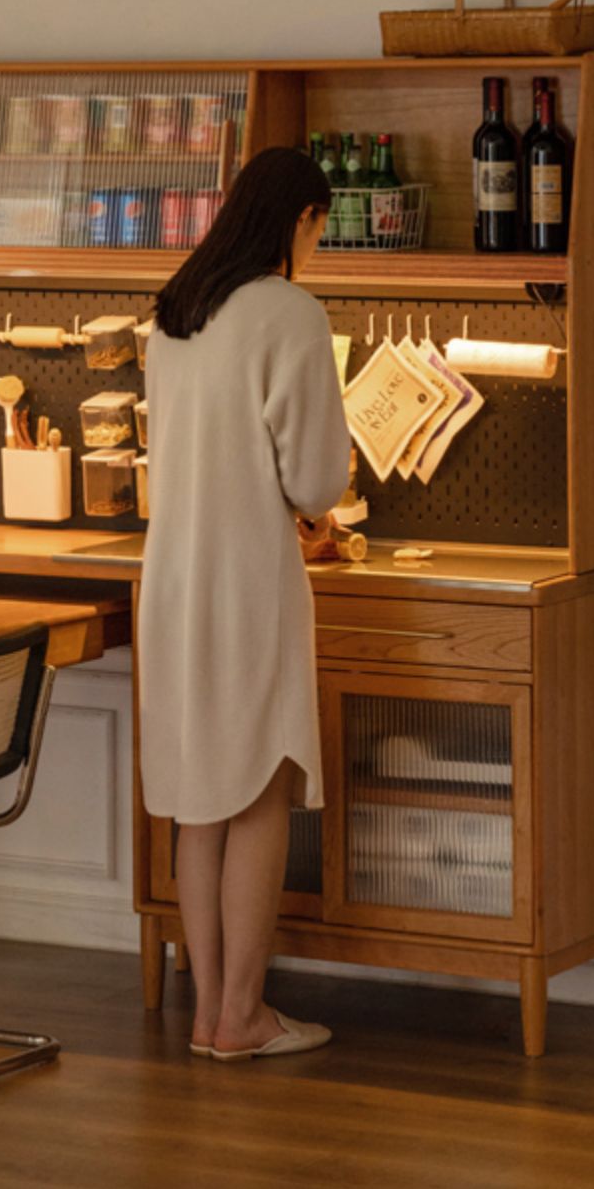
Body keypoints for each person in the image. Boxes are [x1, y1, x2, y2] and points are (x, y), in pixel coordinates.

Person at [140, 145, 350, 1061]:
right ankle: (245, 1016)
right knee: (260, 786)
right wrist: (320, 510)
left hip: (172, 580)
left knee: (199, 801)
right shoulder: (290, 313)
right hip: (248, 581)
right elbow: (314, 478)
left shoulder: (176, 310)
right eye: (320, 230)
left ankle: (207, 1015)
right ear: (300, 219)